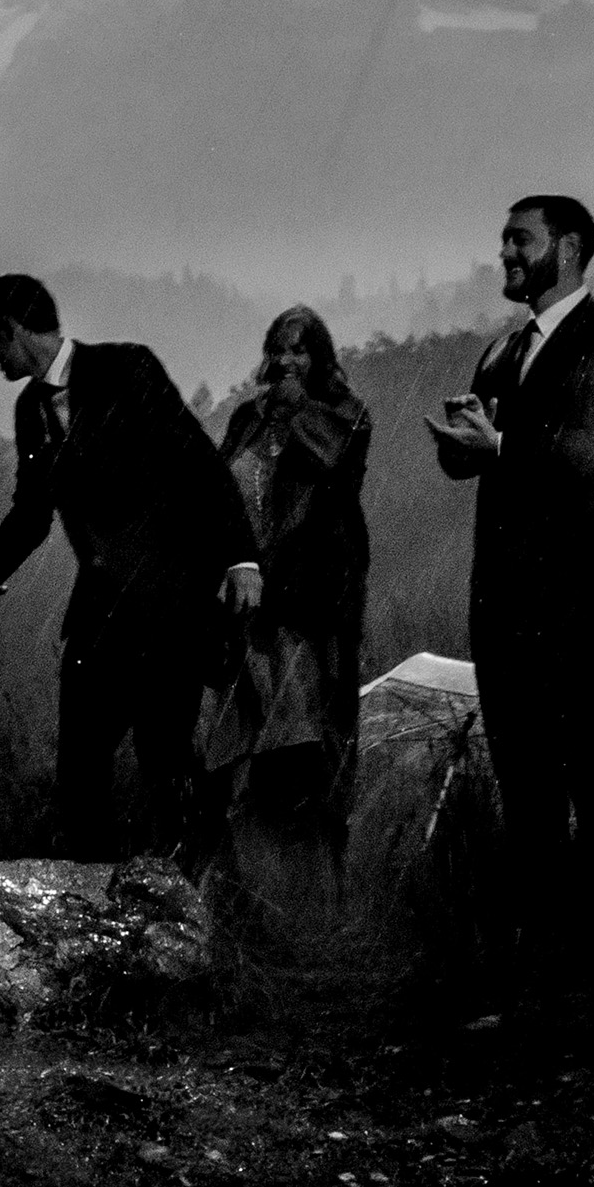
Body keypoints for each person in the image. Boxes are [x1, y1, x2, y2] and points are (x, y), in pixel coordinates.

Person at [0, 275, 261, 864]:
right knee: (79, 774)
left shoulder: (127, 369)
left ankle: (212, 905)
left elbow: (197, 461)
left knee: (167, 765)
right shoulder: (30, 410)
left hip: (168, 611)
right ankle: (90, 911)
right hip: (101, 617)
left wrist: (240, 557)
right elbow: (30, 519)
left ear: (14, 330)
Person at [429, 194, 594, 965]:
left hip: (586, 585)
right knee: (520, 763)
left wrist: (504, 441)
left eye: (519, 239)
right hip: (503, 591)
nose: (505, 253)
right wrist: (463, 445)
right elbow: (487, 459)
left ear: (567, 245)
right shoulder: (500, 351)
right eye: (502, 240)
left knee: (590, 752)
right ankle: (542, 934)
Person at [196, 307, 371, 922]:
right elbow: (220, 492)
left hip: (305, 611)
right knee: (237, 759)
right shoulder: (249, 417)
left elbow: (324, 466)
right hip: (244, 615)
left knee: (300, 760)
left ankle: (316, 908)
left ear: (321, 357)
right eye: (278, 349)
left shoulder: (345, 415)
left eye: (300, 350)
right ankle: (255, 910)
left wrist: (288, 409)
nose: (287, 360)